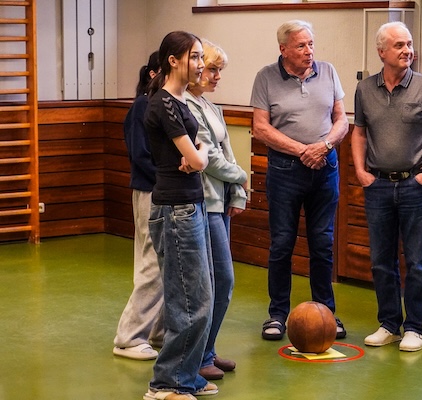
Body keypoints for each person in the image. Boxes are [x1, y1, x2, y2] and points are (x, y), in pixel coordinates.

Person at [351, 21, 422, 352]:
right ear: (381, 52)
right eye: (399, 45)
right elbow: (359, 132)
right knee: (381, 261)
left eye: (409, 44)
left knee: (416, 262)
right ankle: (389, 324)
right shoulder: (364, 89)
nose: (407, 50)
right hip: (378, 186)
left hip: (415, 186)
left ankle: (414, 328)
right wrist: (360, 171)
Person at [250, 20, 349, 341]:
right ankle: (277, 314)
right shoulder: (266, 77)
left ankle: (326, 313)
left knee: (322, 243)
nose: (309, 51)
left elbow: (341, 119)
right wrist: (302, 150)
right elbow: (261, 127)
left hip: (326, 167)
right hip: (285, 170)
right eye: (301, 46)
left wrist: (324, 146)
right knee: (282, 243)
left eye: (311, 44)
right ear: (283, 49)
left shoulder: (328, 71)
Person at [143, 31, 217, 399]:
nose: (201, 64)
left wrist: (196, 154)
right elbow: (200, 157)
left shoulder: (181, 101)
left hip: (191, 205)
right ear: (173, 60)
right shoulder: (164, 104)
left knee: (202, 297)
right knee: (189, 301)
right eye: (195, 57)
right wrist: (197, 155)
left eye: (202, 57)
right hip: (176, 210)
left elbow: (199, 151)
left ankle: (186, 376)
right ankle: (167, 383)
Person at [184, 39, 247, 380]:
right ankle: (198, 356)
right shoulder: (187, 106)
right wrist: (242, 176)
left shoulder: (210, 105)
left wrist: (237, 192)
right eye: (212, 69)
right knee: (217, 281)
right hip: (204, 204)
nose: (217, 76)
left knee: (220, 283)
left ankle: (207, 351)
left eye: (220, 70)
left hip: (220, 202)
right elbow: (209, 159)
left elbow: (227, 151)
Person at [113, 51, 164, 362]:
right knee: (151, 263)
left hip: (165, 191)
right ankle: (129, 337)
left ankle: (158, 331)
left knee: (165, 265)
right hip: (150, 191)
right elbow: (140, 155)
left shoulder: (164, 104)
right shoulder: (142, 106)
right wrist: (167, 179)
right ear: (155, 73)